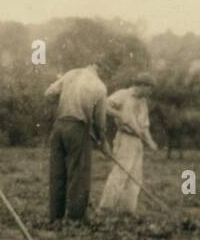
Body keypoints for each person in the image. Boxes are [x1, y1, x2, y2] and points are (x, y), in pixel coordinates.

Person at [44, 60, 109, 222]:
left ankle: (55, 217)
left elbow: (49, 94)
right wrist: (102, 141)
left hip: (59, 127)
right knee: (78, 175)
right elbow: (100, 122)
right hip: (78, 129)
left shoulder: (70, 73)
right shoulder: (99, 86)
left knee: (57, 173)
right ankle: (75, 219)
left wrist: (63, 102)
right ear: (99, 68)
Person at [98, 73, 159, 216]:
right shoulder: (123, 95)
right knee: (120, 173)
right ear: (142, 86)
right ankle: (105, 208)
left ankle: (127, 210)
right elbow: (104, 105)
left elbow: (144, 127)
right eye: (149, 88)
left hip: (137, 141)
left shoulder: (143, 101)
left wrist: (151, 142)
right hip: (125, 138)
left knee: (136, 176)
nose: (151, 92)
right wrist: (119, 115)